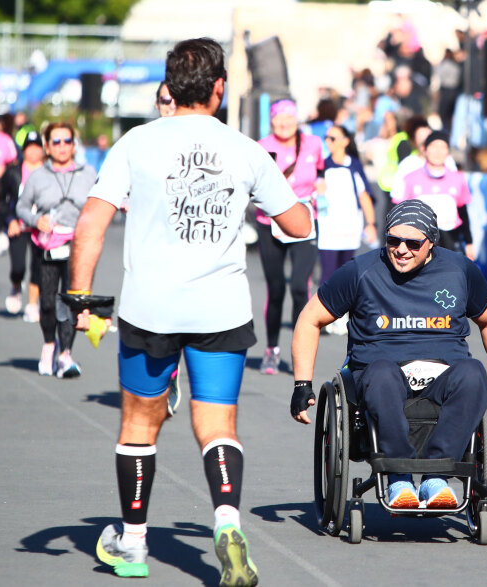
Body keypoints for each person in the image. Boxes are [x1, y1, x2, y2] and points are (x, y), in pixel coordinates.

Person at [68, 38, 311, 584]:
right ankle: (227, 522)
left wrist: (80, 299)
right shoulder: (247, 149)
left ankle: (131, 545)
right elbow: (297, 226)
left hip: (150, 308)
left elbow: (90, 222)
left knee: (138, 424)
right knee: (217, 422)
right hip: (219, 309)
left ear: (170, 86)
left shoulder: (136, 142)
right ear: (220, 88)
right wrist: (296, 207)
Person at [290, 200, 487, 509]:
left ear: (431, 243)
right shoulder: (362, 271)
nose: (401, 249)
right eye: (393, 240)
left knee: (473, 372)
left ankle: (436, 478)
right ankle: (398, 478)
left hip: (443, 376)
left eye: (413, 242)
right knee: (382, 372)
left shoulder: (459, 270)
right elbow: (310, 318)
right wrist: (301, 384)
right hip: (380, 374)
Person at [16, 122, 96, 378]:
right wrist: (34, 220)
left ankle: (66, 355)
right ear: (47, 146)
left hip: (79, 245)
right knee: (49, 302)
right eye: (56, 142)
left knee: (72, 301)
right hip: (48, 245)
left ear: (74, 145)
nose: (62, 147)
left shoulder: (88, 173)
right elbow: (21, 207)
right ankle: (50, 345)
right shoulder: (39, 176)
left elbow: (101, 202)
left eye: (67, 141)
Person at [256, 99, 325, 375]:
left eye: (289, 118)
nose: (284, 124)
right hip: (269, 222)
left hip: (304, 220)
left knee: (299, 286)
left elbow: (321, 170)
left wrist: (322, 183)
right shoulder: (262, 147)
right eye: (278, 119)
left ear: (297, 120)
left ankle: (300, 352)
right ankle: (271, 350)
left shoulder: (313, 144)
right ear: (272, 122)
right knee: (276, 289)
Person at [394, 131, 474, 258]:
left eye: (443, 147)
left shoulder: (458, 178)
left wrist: (469, 242)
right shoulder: (410, 179)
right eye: (433, 147)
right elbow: (399, 213)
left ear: (448, 152)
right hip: (419, 242)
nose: (438, 152)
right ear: (424, 150)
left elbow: (462, 211)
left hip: (451, 240)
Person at [318, 124, 377, 285]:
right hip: (328, 227)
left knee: (347, 275)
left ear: (345, 141)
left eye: (333, 138)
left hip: (350, 226)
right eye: (326, 138)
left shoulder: (354, 165)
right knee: (328, 277)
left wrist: (371, 224)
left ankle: (345, 310)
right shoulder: (322, 165)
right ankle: (325, 310)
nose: (328, 142)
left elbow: (364, 196)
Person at [1, 131, 45, 318]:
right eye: (30, 147)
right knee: (18, 267)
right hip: (19, 225)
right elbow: (2, 200)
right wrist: (10, 220)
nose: (33, 151)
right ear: (24, 150)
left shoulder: (49, 172)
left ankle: (32, 304)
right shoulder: (13, 172)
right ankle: (16, 286)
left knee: (38, 267)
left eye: (37, 147)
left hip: (41, 227)